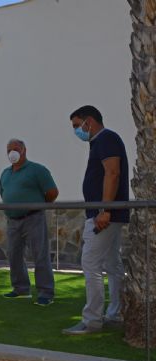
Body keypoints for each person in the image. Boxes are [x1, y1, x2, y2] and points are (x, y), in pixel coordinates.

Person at [63, 105, 129, 335]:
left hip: (104, 216)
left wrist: (104, 210)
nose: (76, 131)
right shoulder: (102, 141)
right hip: (107, 213)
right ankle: (116, 313)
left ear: (88, 122)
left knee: (90, 263)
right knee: (112, 265)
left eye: (76, 125)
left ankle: (92, 320)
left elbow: (112, 173)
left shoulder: (106, 139)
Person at [0, 139, 59, 306]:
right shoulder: (5, 173)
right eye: (9, 149)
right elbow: (3, 193)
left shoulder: (37, 170)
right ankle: (20, 289)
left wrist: (38, 207)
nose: (12, 152)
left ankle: (46, 292)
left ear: (24, 150)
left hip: (33, 218)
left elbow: (52, 192)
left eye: (16, 148)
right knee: (14, 255)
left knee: (40, 254)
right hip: (12, 220)